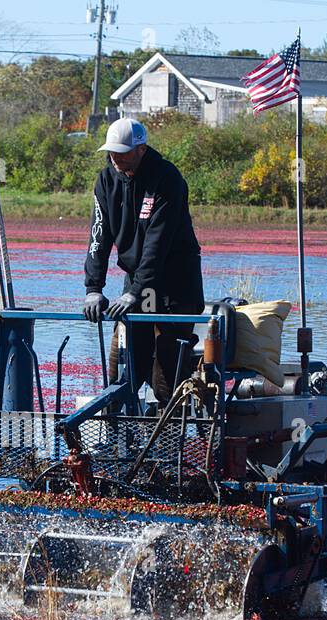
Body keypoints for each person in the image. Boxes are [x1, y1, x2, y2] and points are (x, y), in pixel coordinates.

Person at [82, 117, 204, 405]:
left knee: (166, 378)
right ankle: (118, 426)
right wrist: (94, 288)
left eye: (122, 152)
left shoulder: (167, 178)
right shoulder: (106, 180)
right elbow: (99, 235)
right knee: (122, 372)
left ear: (141, 149)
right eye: (112, 152)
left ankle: (169, 428)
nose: (115, 158)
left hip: (176, 286)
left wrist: (135, 293)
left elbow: (156, 244)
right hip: (138, 283)